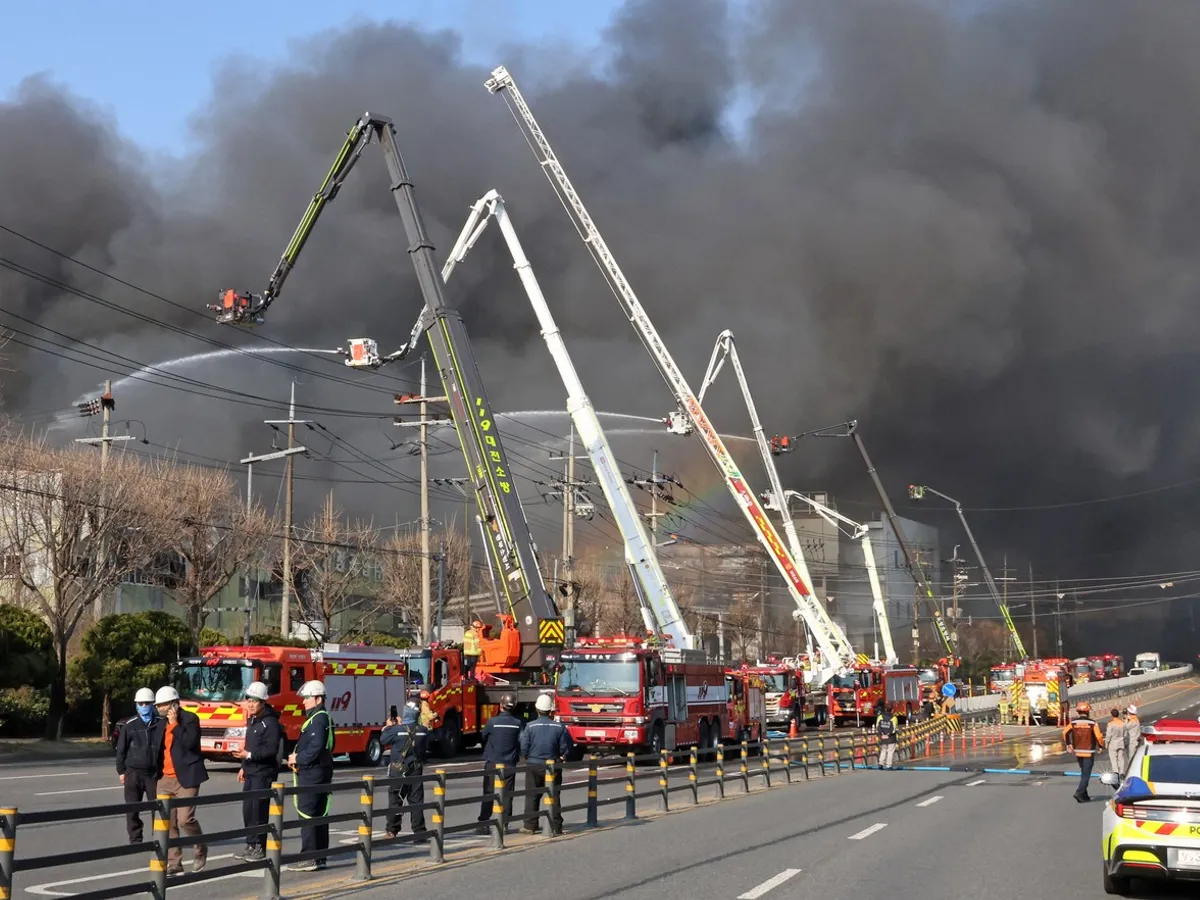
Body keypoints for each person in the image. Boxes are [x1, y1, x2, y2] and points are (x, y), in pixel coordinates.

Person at [153, 686, 208, 876]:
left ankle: (200, 849)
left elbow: (190, 743)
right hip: (164, 778)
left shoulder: (190, 719)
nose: (161, 709)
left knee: (185, 819)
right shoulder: (159, 723)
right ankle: (174, 862)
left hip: (186, 777)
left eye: (164, 705)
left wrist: (175, 724)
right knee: (167, 822)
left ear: (174, 704)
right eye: (158, 706)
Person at [285, 681, 333, 872]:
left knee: (308, 814)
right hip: (319, 771)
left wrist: (297, 757)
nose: (304, 702)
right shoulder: (320, 718)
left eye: (307, 698)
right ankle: (319, 856)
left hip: (312, 773)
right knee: (319, 814)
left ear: (318, 699)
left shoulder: (318, 719)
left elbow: (316, 747)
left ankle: (310, 856)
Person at [234, 682, 281, 862]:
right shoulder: (252, 720)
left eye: (255, 701)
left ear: (263, 702)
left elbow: (271, 750)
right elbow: (249, 746)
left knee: (259, 811)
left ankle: (259, 846)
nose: (251, 704)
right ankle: (250, 844)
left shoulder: (270, 723)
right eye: (249, 700)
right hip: (251, 771)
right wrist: (243, 766)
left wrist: (250, 755)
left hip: (263, 772)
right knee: (248, 811)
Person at [115, 687, 165, 845]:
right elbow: (121, 750)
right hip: (133, 773)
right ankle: (135, 839)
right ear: (136, 705)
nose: (144, 706)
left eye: (147, 703)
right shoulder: (130, 726)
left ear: (153, 705)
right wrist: (121, 771)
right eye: (141, 703)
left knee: (157, 809)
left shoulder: (161, 724)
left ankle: (159, 839)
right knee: (132, 809)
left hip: (153, 774)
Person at [519, 693, 572, 836]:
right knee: (554, 795)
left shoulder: (530, 726)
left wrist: (528, 757)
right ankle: (556, 826)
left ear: (537, 710)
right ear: (551, 711)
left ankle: (530, 826)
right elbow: (565, 747)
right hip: (552, 766)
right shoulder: (559, 727)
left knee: (532, 795)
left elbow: (524, 746)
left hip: (534, 764)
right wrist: (563, 756)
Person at [379, 701, 429, 839]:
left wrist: (389, 726)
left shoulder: (396, 730)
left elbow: (383, 740)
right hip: (416, 769)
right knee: (416, 801)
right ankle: (419, 832)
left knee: (395, 799)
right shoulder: (423, 731)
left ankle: (391, 830)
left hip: (398, 769)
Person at [476, 694, 523, 832]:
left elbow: (483, 736)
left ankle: (484, 823)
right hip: (509, 763)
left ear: (501, 705)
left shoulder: (492, 722)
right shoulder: (517, 723)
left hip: (492, 762)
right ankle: (504, 823)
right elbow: (521, 742)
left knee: (489, 792)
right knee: (507, 794)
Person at [1062, 700, 1104, 803]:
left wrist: (1068, 744)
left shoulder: (1073, 723)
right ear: (1088, 711)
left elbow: (1064, 733)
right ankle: (1079, 792)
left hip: (1078, 752)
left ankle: (1084, 795)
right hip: (1088, 752)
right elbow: (1099, 736)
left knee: (1083, 773)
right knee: (1086, 774)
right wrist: (1101, 746)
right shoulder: (1092, 723)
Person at [1105, 708, 1127, 779]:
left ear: (1112, 715)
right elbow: (1125, 734)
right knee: (1121, 758)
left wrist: (1106, 743)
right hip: (1121, 742)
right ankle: (1122, 772)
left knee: (1113, 758)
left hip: (1113, 743)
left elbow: (1108, 735)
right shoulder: (1123, 723)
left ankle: (1116, 772)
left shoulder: (1110, 724)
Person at [876, 705, 900, 770]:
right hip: (891, 738)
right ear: (892, 710)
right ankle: (888, 765)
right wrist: (888, 735)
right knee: (890, 752)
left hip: (882, 737)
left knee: (883, 750)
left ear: (885, 709)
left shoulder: (880, 717)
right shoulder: (894, 718)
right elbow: (894, 729)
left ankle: (881, 764)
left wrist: (882, 734)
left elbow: (878, 727)